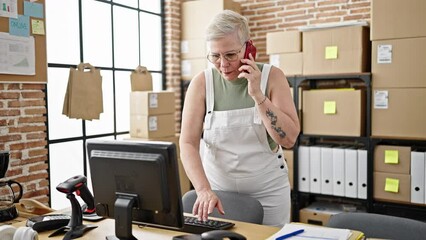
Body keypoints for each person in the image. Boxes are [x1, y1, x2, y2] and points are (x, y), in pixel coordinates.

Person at [179, 10, 300, 227]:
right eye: (215, 56)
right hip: (217, 194)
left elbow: (289, 139)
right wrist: (203, 190)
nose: (223, 64)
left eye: (230, 55)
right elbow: (187, 143)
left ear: (248, 48)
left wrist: (257, 95)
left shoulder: (273, 77)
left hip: (268, 193)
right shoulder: (201, 84)